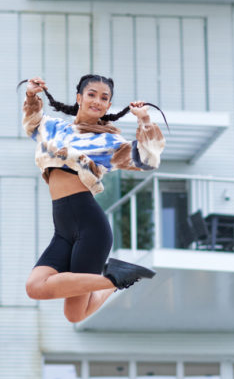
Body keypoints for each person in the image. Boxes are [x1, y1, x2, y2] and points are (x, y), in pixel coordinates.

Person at [22, 74, 166, 323]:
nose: (97, 101)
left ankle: (115, 277)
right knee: (40, 291)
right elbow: (31, 123)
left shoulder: (110, 141)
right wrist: (31, 95)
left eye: (104, 98)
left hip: (90, 226)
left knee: (74, 314)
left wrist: (144, 121)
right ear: (79, 98)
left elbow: (148, 159)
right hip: (63, 229)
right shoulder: (53, 127)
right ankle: (114, 279)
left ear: (109, 106)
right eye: (91, 95)